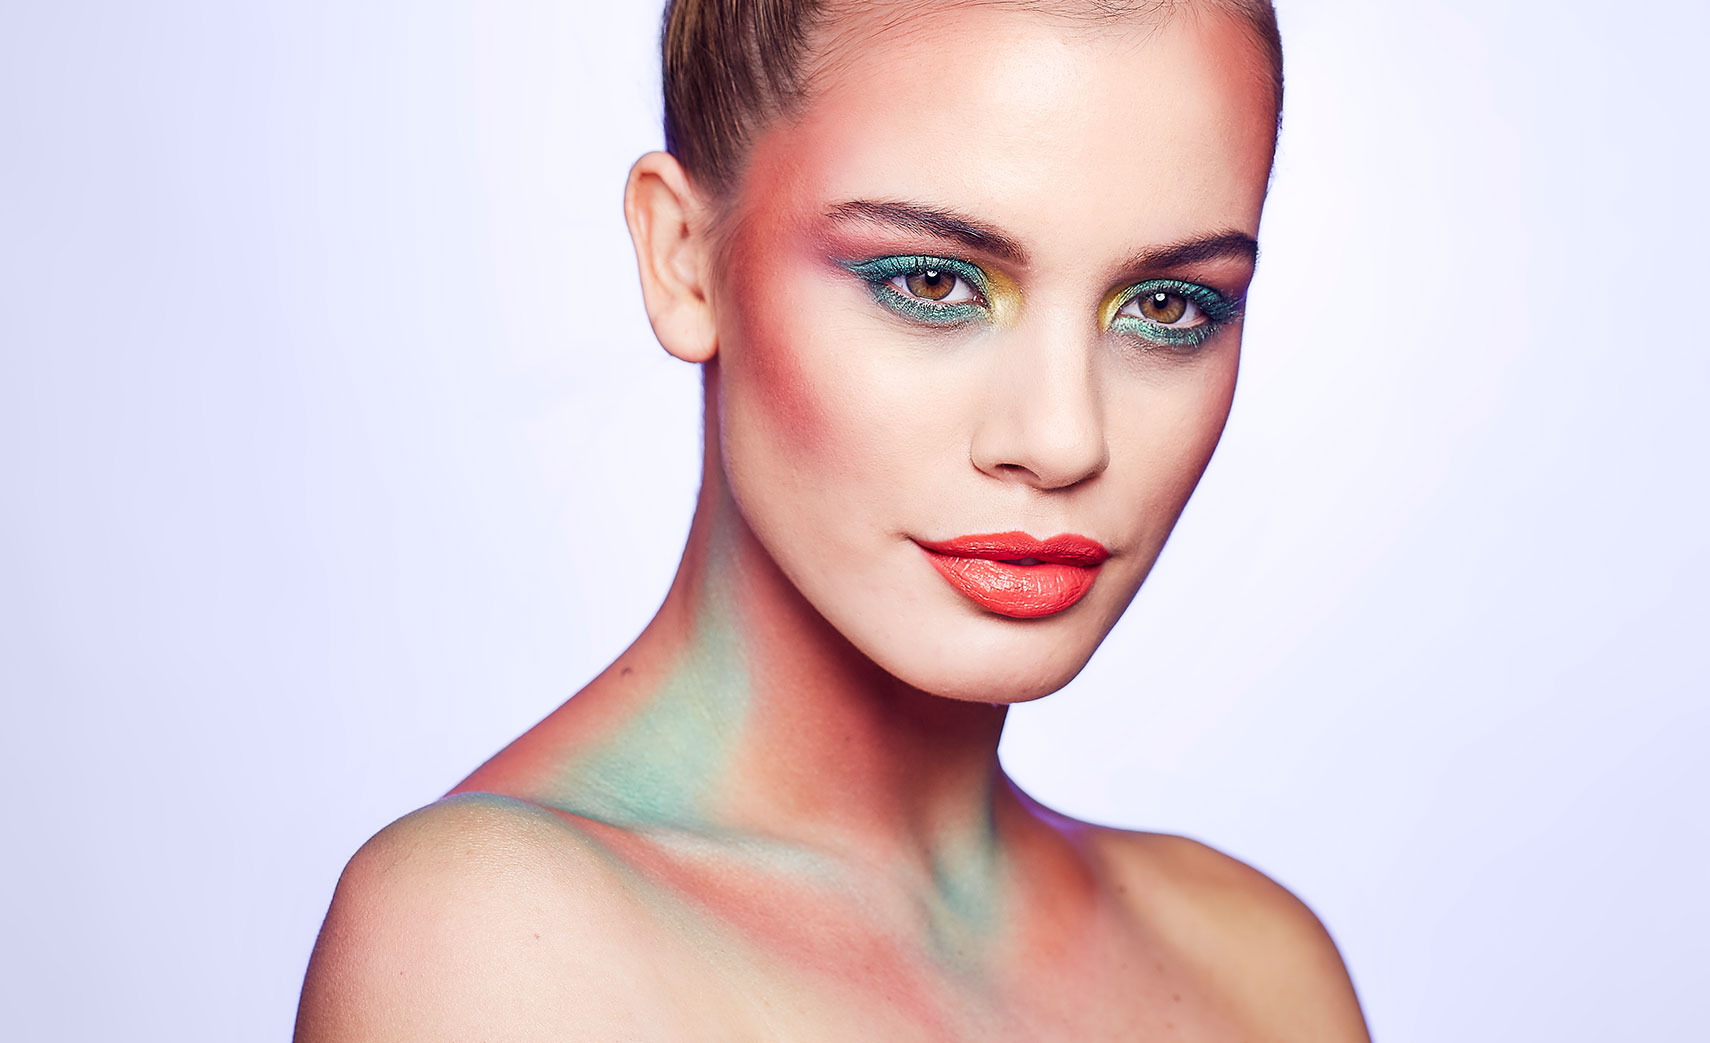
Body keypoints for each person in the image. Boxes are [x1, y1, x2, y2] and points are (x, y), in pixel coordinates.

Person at [295, 0, 1371, 1038]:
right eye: (933, 283)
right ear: (682, 257)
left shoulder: (1260, 970)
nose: (1061, 438)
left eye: (1168, 306)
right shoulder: (492, 943)